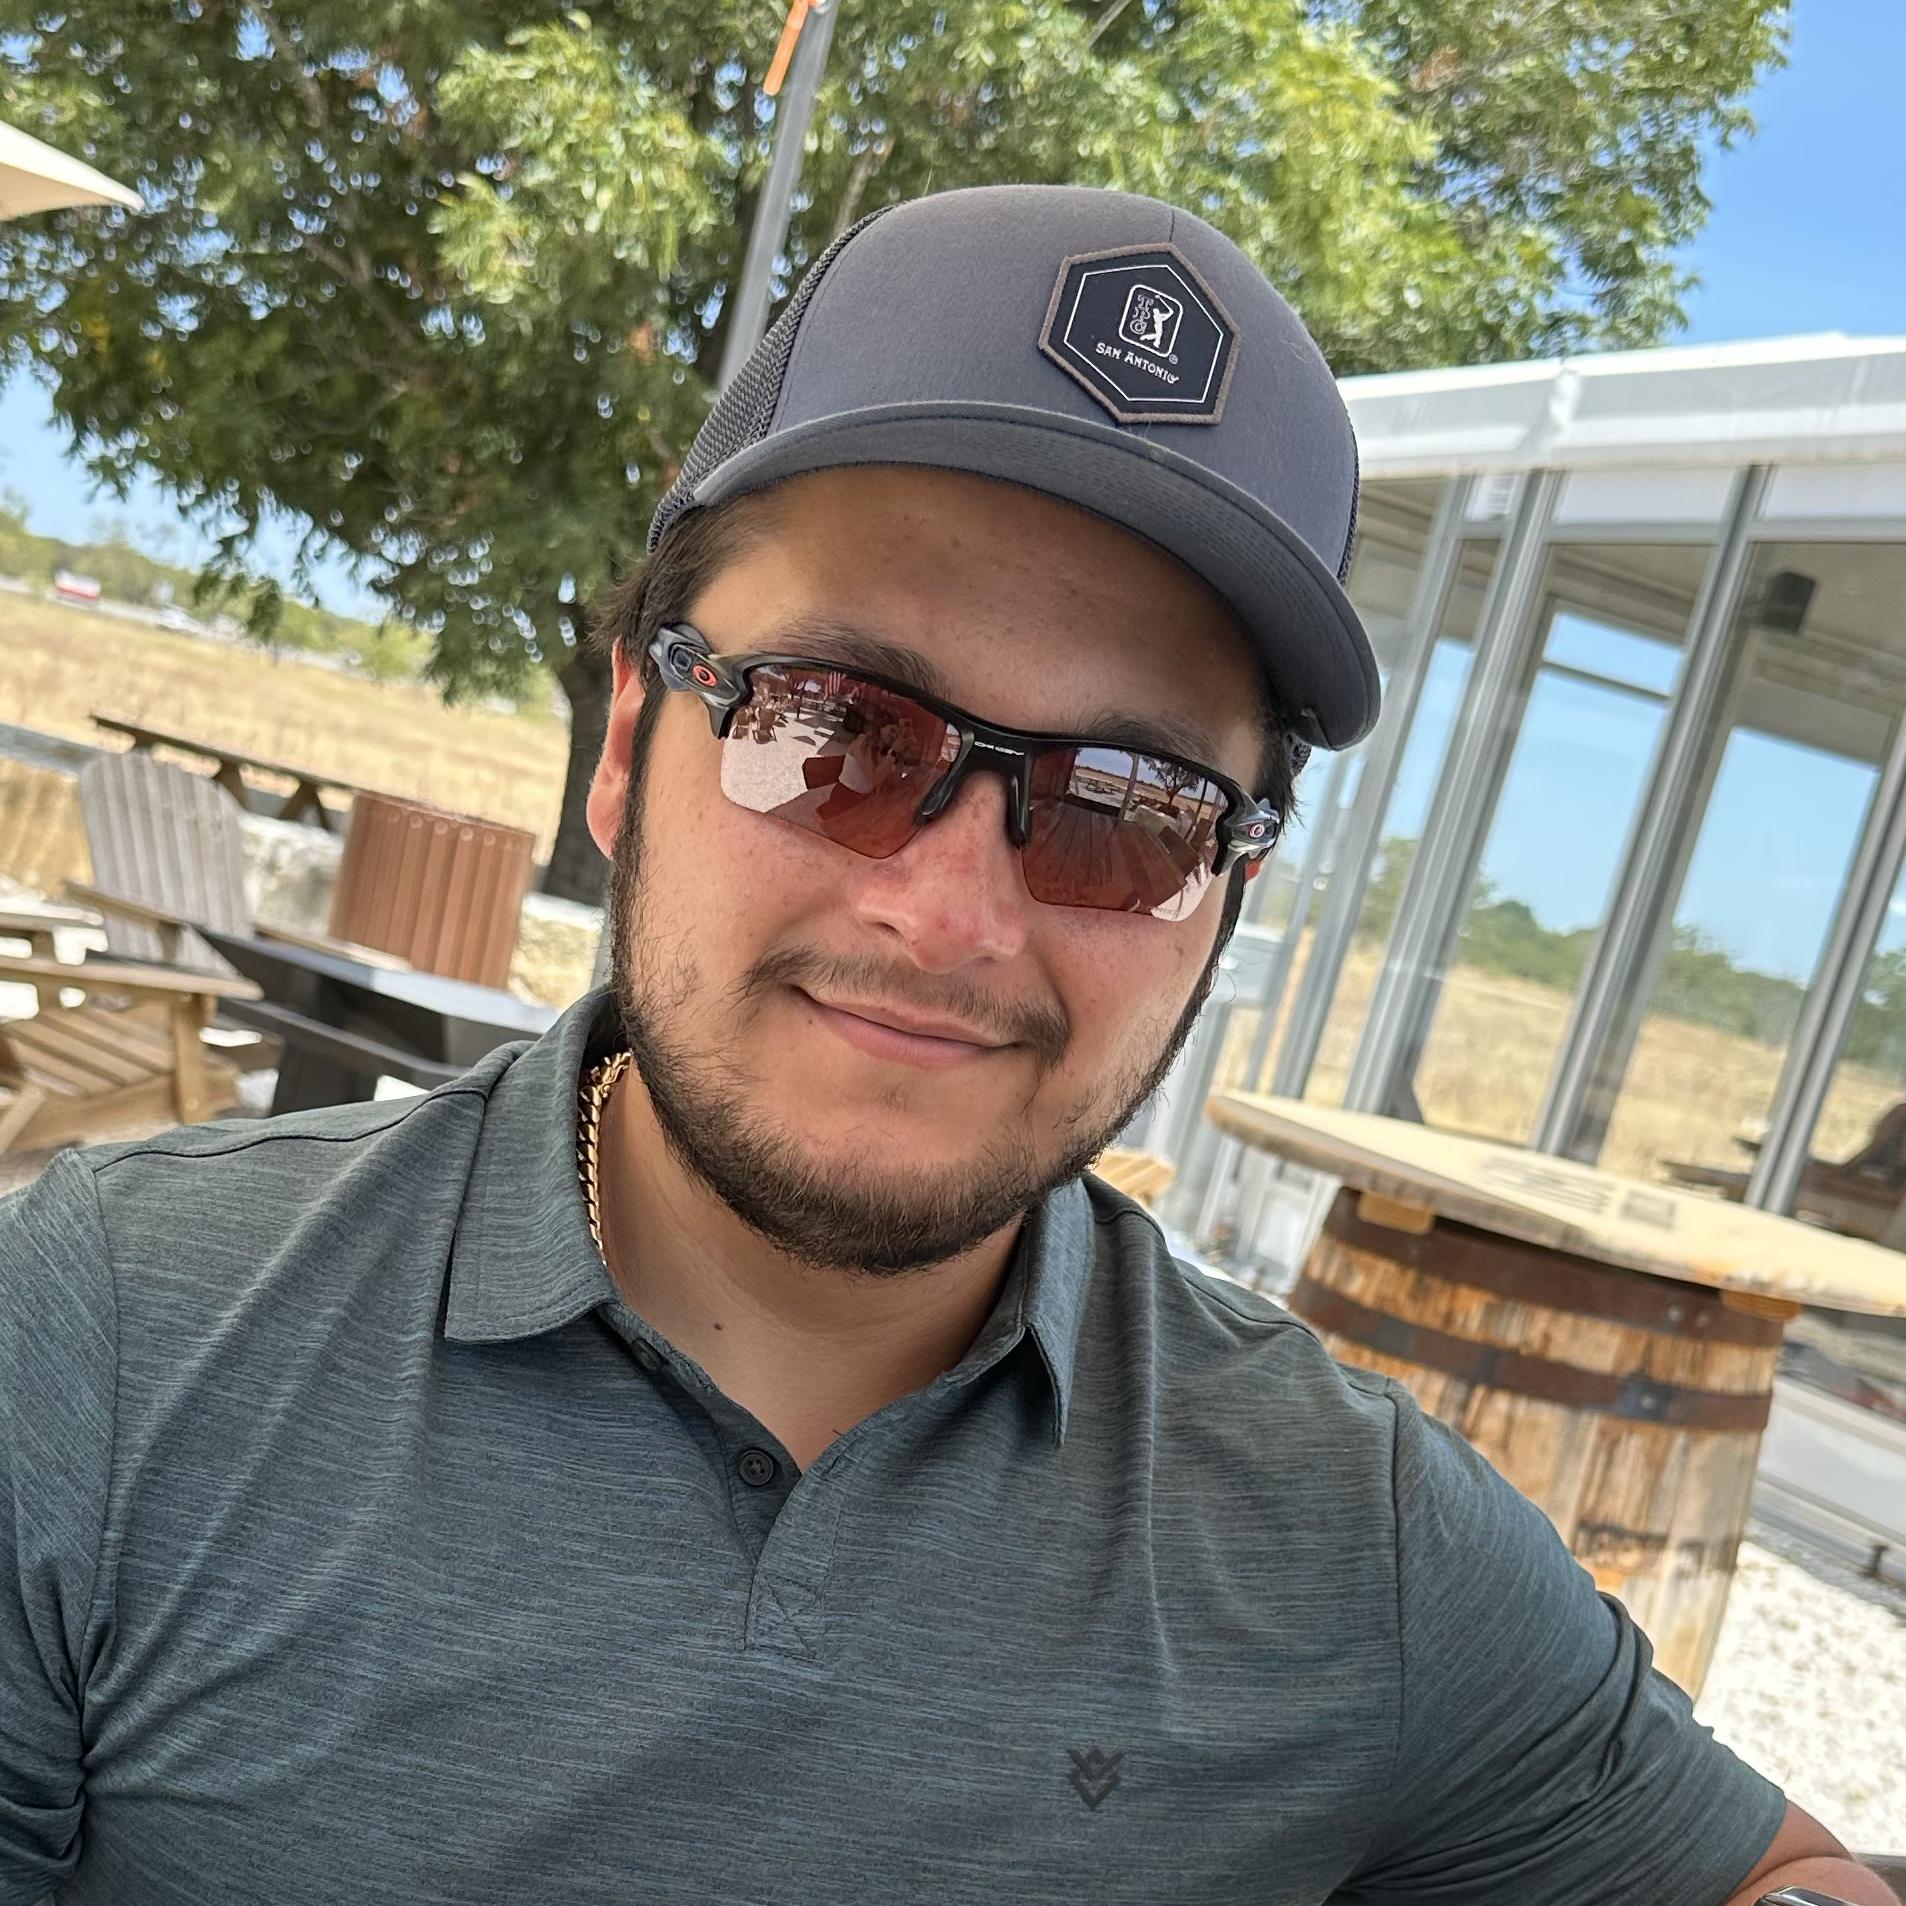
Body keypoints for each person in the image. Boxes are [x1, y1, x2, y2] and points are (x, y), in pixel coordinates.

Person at [0, 185, 1895, 1906]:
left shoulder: (1348, 1535)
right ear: (629, 745)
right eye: (833, 728)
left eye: (1128, 806)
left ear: (1227, 886)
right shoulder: (118, 1336)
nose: (951, 913)